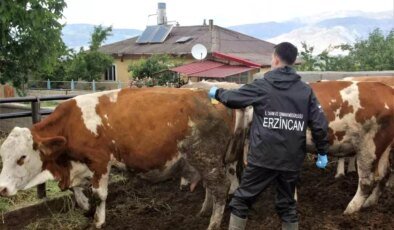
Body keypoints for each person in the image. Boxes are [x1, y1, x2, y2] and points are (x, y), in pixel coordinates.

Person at [208, 42, 329, 230]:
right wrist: (322, 151)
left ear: (275, 59)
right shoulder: (306, 91)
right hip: (291, 160)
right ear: (294, 61)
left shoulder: (263, 85)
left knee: (241, 201)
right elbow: (320, 124)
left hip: (263, 158)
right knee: (288, 205)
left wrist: (217, 92)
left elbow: (234, 99)